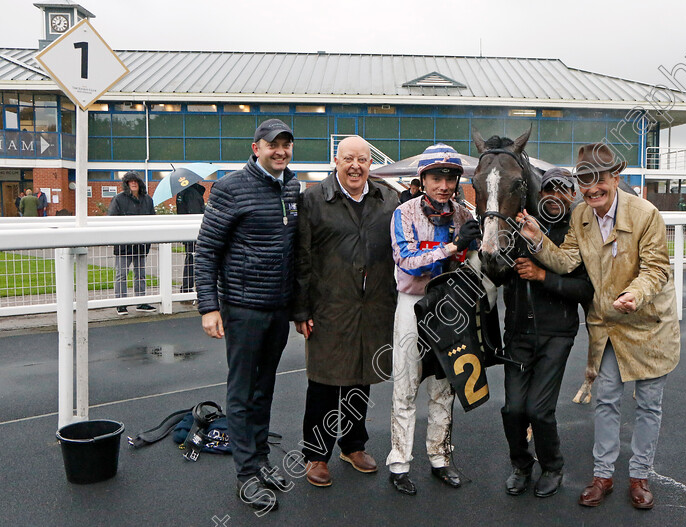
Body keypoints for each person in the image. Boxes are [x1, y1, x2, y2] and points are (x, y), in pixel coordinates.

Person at [517, 143, 680, 510]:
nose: (592, 188)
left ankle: (639, 476)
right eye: (584, 180)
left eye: (599, 180)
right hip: (607, 325)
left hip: (649, 323)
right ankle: (603, 475)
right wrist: (536, 238)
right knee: (606, 400)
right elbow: (565, 260)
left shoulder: (646, 214)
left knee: (649, 405)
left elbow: (656, 269)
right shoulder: (581, 216)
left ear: (615, 179)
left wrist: (634, 295)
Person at [195, 118, 299, 512]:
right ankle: (245, 475)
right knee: (241, 392)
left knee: (265, 389)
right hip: (242, 307)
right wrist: (209, 306)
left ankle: (260, 459)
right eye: (273, 144)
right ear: (256, 147)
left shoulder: (291, 186)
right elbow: (206, 251)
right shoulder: (230, 188)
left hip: (278, 307)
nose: (280, 151)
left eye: (286, 145)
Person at [292, 135, 398, 488]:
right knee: (323, 381)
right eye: (348, 158)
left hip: (374, 306)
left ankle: (353, 445)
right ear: (336, 161)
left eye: (363, 159)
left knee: (360, 377)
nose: (356, 166)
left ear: (371, 163)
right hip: (328, 306)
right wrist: (301, 308)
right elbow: (301, 257)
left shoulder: (388, 199)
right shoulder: (313, 200)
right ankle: (316, 454)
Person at [385, 144, 480, 496]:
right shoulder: (404, 213)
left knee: (444, 386)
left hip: (449, 307)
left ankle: (440, 458)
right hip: (412, 303)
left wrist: (469, 247)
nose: (443, 185)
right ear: (422, 179)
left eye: (450, 178)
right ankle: (399, 462)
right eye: (436, 177)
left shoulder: (463, 215)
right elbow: (407, 260)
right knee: (406, 384)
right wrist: (453, 247)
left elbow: (470, 264)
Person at [500, 167, 593, 498]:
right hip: (517, 334)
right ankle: (521, 465)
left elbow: (584, 291)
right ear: (540, 195)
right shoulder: (519, 227)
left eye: (562, 190)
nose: (554, 196)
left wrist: (542, 276)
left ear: (572, 195)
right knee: (512, 409)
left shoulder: (579, 235)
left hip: (556, 335)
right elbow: (497, 275)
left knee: (539, 410)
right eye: (548, 190)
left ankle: (552, 466)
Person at [108, 172, 157, 315]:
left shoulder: (147, 200)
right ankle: (121, 303)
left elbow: (152, 218)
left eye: (135, 181)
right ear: (127, 184)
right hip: (123, 244)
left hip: (141, 244)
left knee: (140, 274)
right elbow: (112, 219)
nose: (133, 183)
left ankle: (141, 302)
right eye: (130, 181)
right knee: (121, 274)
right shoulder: (118, 199)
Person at [176, 182, 206, 294]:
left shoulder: (181, 193)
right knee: (194, 260)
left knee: (190, 259)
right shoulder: (192, 193)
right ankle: (188, 288)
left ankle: (187, 287)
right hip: (195, 233)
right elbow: (195, 213)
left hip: (186, 231)